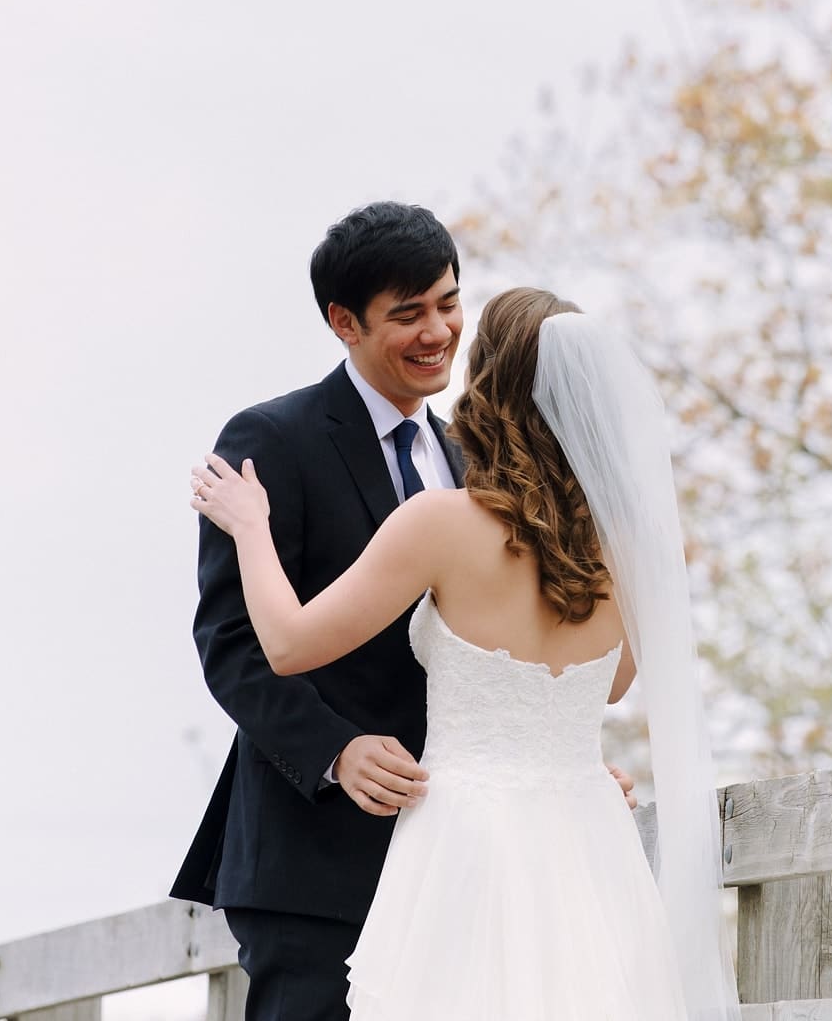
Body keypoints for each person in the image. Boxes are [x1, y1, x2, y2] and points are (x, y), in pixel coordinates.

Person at [190, 287, 739, 1021]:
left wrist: (252, 527)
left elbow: (287, 644)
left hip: (466, 842)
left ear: (495, 386)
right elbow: (611, 687)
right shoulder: (633, 550)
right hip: (588, 840)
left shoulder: (443, 523)